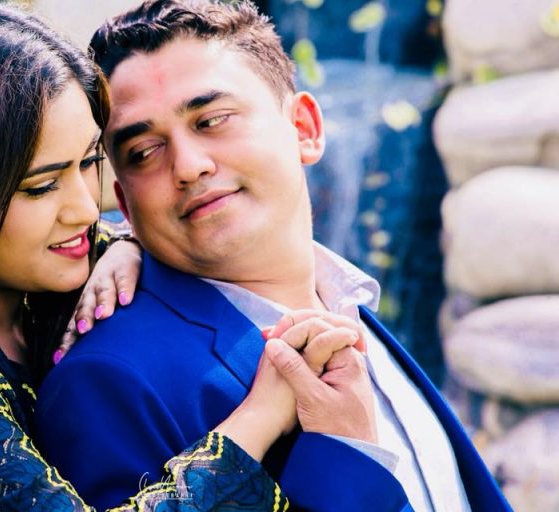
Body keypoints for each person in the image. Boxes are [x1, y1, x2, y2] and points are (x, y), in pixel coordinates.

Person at [0, 1, 363, 510]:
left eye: (89, 163)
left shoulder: (65, 273)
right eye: (41, 186)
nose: (87, 210)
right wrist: (260, 417)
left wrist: (131, 243)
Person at [34, 1, 513, 511]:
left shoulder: (350, 306)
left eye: (212, 120)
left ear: (304, 128)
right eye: (144, 152)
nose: (189, 166)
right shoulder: (106, 382)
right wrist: (343, 459)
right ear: (125, 204)